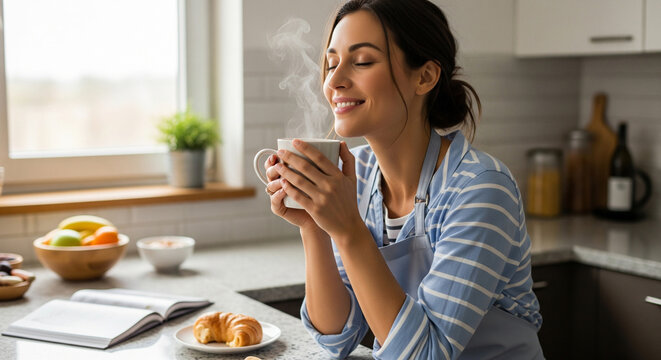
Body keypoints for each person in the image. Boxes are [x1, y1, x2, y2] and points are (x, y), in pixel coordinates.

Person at [262, 0, 543, 358]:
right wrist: (314, 225)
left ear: (424, 76)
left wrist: (348, 229)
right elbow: (337, 335)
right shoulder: (359, 174)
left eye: (362, 62)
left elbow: (427, 354)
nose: (334, 80)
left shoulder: (481, 189)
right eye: (331, 63)